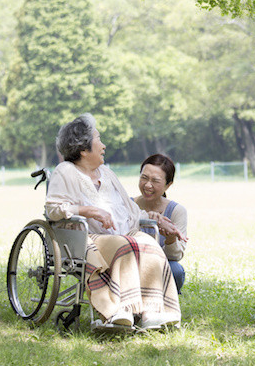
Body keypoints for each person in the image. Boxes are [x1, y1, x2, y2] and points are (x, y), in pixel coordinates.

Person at [45, 113, 181, 330]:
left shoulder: (106, 173)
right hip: (88, 238)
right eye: (99, 139)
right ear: (83, 149)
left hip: (123, 234)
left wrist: (158, 221)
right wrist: (88, 210)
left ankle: (150, 311)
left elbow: (131, 210)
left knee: (150, 245)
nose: (104, 145)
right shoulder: (65, 172)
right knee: (123, 245)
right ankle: (118, 309)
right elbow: (53, 209)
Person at [132, 154, 188, 294]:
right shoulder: (128, 205)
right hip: (131, 263)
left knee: (176, 271)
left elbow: (175, 257)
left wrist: (170, 239)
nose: (148, 185)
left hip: (161, 264)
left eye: (155, 181)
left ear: (168, 185)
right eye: (144, 178)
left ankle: (162, 300)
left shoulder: (176, 211)